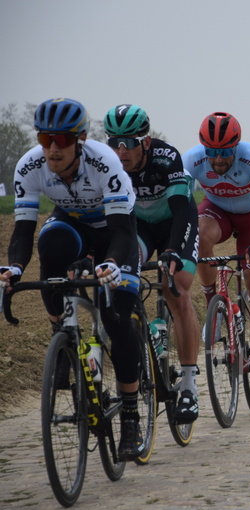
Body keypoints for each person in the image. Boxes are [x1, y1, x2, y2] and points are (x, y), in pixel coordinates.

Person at [0, 98, 144, 460]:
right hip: (73, 223)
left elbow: (123, 233)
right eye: (45, 137)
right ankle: (61, 333)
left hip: (116, 231)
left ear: (80, 139)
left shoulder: (104, 162)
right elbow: (22, 232)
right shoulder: (29, 166)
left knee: (117, 317)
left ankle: (130, 415)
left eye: (61, 139)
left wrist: (111, 262)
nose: (52, 148)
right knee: (52, 242)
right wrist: (14, 267)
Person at [104, 104, 202, 422]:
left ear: (145, 142)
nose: (120, 152)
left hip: (176, 221)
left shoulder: (166, 157)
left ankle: (188, 385)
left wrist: (172, 251)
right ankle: (140, 332)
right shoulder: (108, 165)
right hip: (140, 228)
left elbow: (181, 209)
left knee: (177, 290)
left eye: (128, 143)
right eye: (113, 143)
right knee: (125, 276)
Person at [183, 112, 250, 399]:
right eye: (212, 152)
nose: (219, 159)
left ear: (236, 146)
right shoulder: (193, 160)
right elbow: (179, 205)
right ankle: (213, 306)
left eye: (225, 152)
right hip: (217, 211)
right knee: (198, 237)